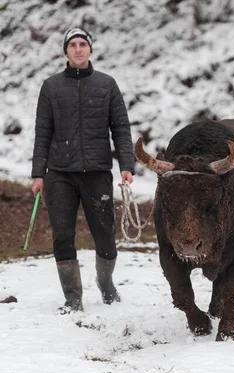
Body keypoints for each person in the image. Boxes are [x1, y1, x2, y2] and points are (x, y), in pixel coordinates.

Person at [31, 27, 135, 313]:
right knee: (62, 235)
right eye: (72, 45)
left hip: (97, 171)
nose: (78, 49)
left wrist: (126, 164)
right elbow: (42, 132)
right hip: (59, 174)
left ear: (90, 49)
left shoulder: (107, 85)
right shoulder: (51, 87)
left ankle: (106, 283)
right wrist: (38, 173)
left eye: (82, 44)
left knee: (105, 234)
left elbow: (121, 128)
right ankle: (73, 297)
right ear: (66, 51)